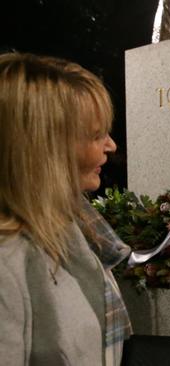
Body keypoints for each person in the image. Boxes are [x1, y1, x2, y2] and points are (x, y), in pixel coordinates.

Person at [0, 52, 131, 365]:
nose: (111, 146)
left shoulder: (70, 227)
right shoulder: (7, 262)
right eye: (96, 135)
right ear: (46, 147)